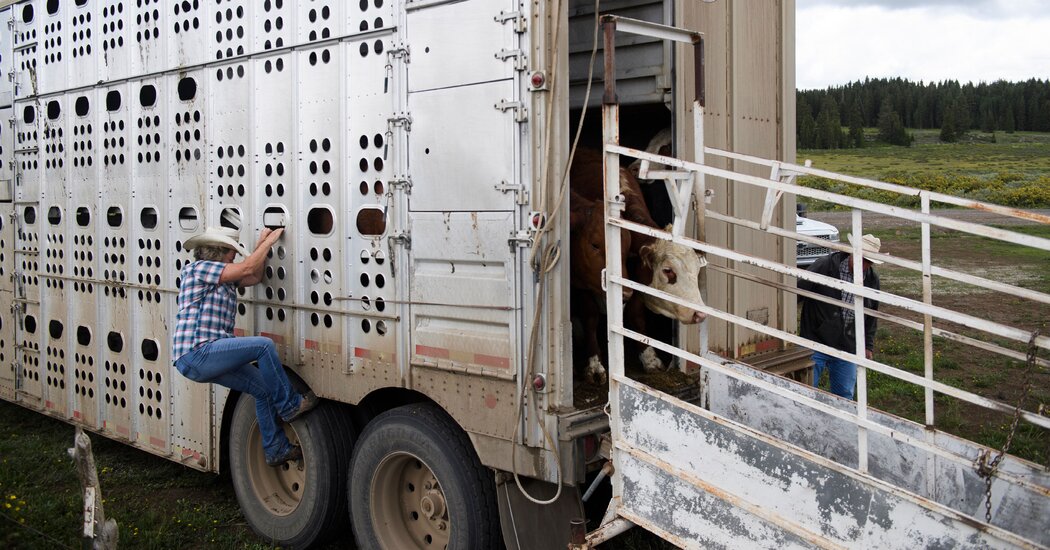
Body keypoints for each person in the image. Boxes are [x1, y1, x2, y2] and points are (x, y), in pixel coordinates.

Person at [172, 226, 317, 466]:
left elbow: (254, 276)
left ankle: (276, 449)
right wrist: (268, 243)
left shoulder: (222, 276)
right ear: (218, 252)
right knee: (263, 346)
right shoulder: (200, 269)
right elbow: (248, 267)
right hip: (197, 352)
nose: (234, 257)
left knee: (262, 389)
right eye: (231, 252)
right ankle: (290, 405)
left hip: (204, 354)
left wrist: (261, 244)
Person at [798, 233, 883, 400]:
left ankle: (840, 424)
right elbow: (799, 289)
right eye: (862, 259)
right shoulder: (826, 266)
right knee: (807, 390)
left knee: (845, 394)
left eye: (869, 262)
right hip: (816, 339)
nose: (864, 265)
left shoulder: (872, 280)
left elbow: (871, 315)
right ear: (852, 253)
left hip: (848, 344)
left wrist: (868, 345)